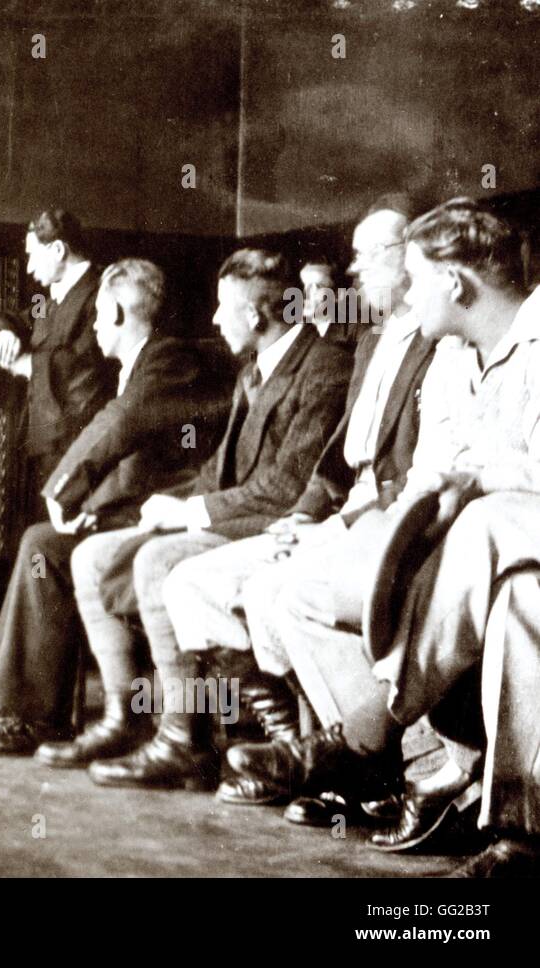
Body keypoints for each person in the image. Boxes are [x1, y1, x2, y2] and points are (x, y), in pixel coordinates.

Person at [228, 199, 540, 867]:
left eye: (418, 275)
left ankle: (376, 729)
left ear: (455, 284)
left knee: (488, 526)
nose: (404, 290)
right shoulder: (453, 355)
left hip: (512, 528)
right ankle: (472, 805)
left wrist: (477, 480)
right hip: (484, 550)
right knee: (317, 582)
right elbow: (431, 471)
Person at [155, 201, 435, 803]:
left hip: (395, 520)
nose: (354, 271)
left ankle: (346, 764)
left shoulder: (434, 343)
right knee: (189, 584)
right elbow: (337, 460)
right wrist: (306, 514)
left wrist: (334, 522)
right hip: (336, 517)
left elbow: (415, 474)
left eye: (367, 255)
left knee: (269, 592)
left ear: (412, 256)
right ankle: (295, 747)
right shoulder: (373, 341)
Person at [60, 248, 352, 788]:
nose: (214, 321)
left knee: (156, 561)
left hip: (282, 523)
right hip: (239, 515)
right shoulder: (253, 371)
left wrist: (190, 513)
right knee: (92, 555)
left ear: (254, 316)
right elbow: (219, 473)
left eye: (222, 308)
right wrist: (166, 509)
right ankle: (123, 718)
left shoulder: (325, 366)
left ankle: (182, 740)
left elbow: (290, 487)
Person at [0, 260, 232, 755]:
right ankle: (31, 708)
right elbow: (125, 450)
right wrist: (91, 506)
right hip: (144, 507)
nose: (93, 329)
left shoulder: (168, 359)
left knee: (47, 542)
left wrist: (62, 493)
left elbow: (120, 426)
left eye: (99, 318)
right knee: (44, 541)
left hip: (178, 513)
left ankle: (47, 715)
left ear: (120, 314)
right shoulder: (142, 363)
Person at [0, 209, 115, 491]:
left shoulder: (102, 292)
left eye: (32, 255)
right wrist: (5, 332)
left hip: (76, 445)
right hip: (44, 439)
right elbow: (14, 318)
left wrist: (26, 365)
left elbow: (89, 365)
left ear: (59, 250)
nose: (27, 268)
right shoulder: (53, 298)